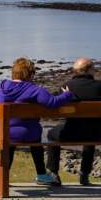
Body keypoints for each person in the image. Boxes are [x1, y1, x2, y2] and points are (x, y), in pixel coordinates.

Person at [0, 57, 73, 186]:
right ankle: (41, 174)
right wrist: (67, 94)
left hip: (0, 132)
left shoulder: (1, 88)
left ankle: (5, 175)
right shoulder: (35, 90)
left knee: (10, 139)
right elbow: (53, 102)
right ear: (30, 74)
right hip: (26, 133)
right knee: (34, 138)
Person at [46, 57, 101, 186]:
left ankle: (53, 173)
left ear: (76, 71)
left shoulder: (67, 86)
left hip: (71, 132)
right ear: (90, 70)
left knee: (51, 134)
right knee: (90, 129)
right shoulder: (99, 87)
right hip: (96, 133)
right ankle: (84, 174)